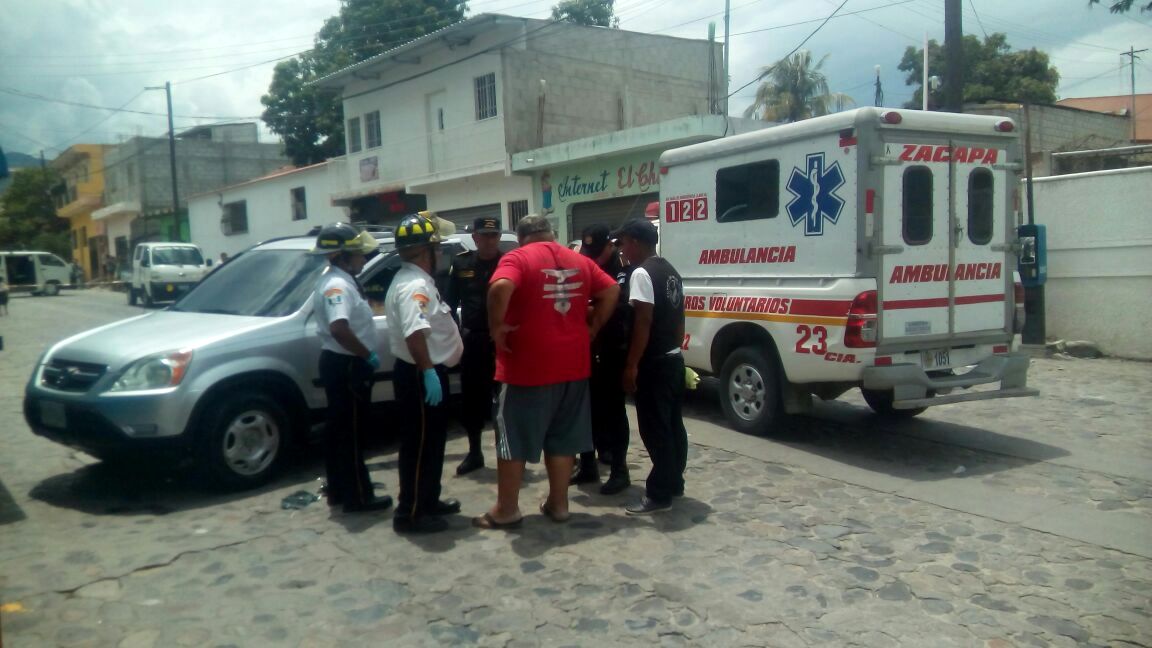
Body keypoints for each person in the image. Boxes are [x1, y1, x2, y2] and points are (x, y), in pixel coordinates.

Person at [473, 215, 619, 529]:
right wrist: (593, 327)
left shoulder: (517, 257)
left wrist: (496, 327)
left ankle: (507, 509)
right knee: (563, 437)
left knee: (512, 437)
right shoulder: (579, 260)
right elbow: (610, 293)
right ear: (550, 234)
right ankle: (559, 503)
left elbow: (500, 288)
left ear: (523, 236)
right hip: (573, 365)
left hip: (526, 367)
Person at [385, 213, 465, 534]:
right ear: (424, 252)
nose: (440, 255)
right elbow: (415, 332)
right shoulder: (415, 285)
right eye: (437, 249)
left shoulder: (413, 281)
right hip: (421, 375)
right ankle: (412, 513)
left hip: (423, 372)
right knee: (419, 446)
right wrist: (429, 371)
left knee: (432, 444)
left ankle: (428, 500)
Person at [310, 222, 394, 514]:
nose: (363, 258)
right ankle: (358, 496)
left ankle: (338, 490)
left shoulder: (338, 279)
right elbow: (339, 328)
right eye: (358, 254)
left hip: (340, 362)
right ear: (343, 256)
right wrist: (365, 354)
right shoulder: (337, 285)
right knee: (352, 433)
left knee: (339, 432)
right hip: (347, 364)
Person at [615, 218, 688, 515]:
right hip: (672, 357)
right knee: (673, 426)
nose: (622, 250)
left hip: (654, 362)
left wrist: (632, 365)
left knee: (655, 429)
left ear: (635, 242)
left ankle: (659, 493)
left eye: (623, 243)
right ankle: (674, 481)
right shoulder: (670, 270)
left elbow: (643, 320)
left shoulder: (642, 273)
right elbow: (680, 315)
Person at [570, 223, 633, 495]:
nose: (592, 256)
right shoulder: (585, 266)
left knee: (613, 411)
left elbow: (620, 308)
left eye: (598, 250)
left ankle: (619, 470)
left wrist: (590, 308)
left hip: (612, 349)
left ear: (611, 245)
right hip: (586, 349)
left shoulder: (621, 271)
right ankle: (587, 465)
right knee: (586, 410)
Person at [445, 215, 504, 475]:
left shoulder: (508, 262)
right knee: (472, 400)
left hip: (503, 341)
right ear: (475, 237)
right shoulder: (461, 263)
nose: (489, 240)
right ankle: (475, 452)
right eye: (484, 235)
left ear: (499, 237)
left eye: (493, 235)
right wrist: (455, 337)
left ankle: (507, 454)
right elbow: (448, 304)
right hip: (474, 340)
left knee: (505, 400)